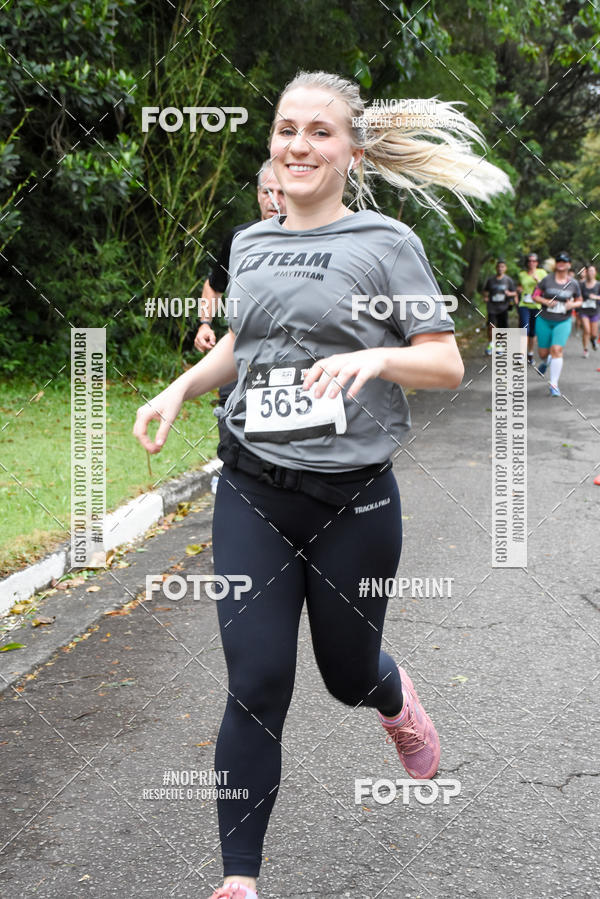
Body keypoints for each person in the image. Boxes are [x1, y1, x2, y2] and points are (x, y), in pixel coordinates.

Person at [133, 71, 511, 899]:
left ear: (352, 150)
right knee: (257, 682)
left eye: (320, 132)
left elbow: (444, 360)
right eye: (286, 128)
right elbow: (244, 340)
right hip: (252, 488)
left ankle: (393, 698)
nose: (298, 145)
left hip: (353, 501)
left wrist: (377, 356)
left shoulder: (386, 243)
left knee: (343, 674)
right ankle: (240, 879)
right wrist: (180, 388)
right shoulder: (251, 243)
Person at [193, 162, 286, 423]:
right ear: (257, 193)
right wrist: (204, 325)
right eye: (267, 192)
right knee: (233, 442)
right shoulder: (239, 238)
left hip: (291, 364)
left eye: (282, 193)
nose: (274, 201)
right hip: (240, 358)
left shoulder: (313, 239)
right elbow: (213, 286)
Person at [533, 251, 582, 396]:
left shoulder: (573, 283)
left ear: (569, 265)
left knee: (556, 349)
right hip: (544, 320)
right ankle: (547, 360)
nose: (561, 263)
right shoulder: (547, 279)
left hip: (563, 321)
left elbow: (579, 301)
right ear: (556, 264)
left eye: (564, 261)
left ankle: (554, 384)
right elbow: (535, 296)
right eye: (558, 260)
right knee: (543, 353)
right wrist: (546, 301)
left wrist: (571, 306)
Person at [482, 259, 517, 355]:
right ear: (496, 268)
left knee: (502, 327)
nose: (500, 268)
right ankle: (491, 344)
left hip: (503, 307)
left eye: (502, 267)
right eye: (498, 267)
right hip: (492, 306)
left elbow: (514, 292)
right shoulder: (491, 280)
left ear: (505, 268)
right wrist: (485, 297)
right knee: (491, 326)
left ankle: (500, 346)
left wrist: (509, 293)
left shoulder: (508, 280)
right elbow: (485, 290)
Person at [516, 252, 545, 364]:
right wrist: (519, 289)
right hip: (524, 304)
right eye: (529, 261)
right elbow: (519, 285)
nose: (531, 263)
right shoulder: (522, 274)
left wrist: (538, 281)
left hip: (537, 305)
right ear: (527, 263)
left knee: (533, 332)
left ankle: (530, 354)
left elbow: (547, 287)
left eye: (534, 261)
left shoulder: (541, 273)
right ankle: (521, 354)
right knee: (525, 328)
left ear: (537, 263)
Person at [578, 263, 600, 357]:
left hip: (595, 311)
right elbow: (577, 296)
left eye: (592, 271)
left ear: (595, 272)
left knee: (594, 334)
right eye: (589, 271)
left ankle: (593, 341)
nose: (590, 273)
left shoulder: (598, 284)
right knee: (587, 330)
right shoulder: (581, 284)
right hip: (583, 311)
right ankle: (585, 349)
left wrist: (595, 297)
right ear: (586, 273)